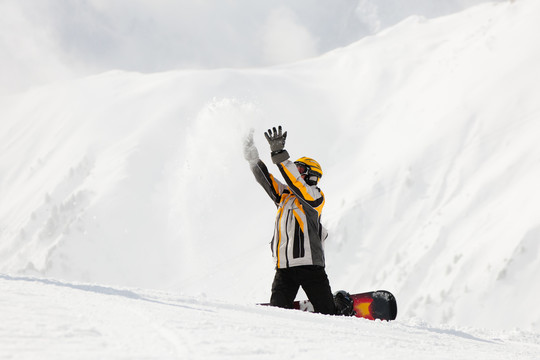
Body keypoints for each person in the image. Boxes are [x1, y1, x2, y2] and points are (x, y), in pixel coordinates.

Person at [243, 126, 354, 315]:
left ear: (311, 176)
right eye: (296, 167)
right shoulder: (283, 196)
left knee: (328, 313)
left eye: (300, 169)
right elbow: (263, 177)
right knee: (278, 313)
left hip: (310, 266)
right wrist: (251, 153)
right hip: (284, 268)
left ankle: (342, 304)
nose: (296, 171)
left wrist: (280, 154)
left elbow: (296, 182)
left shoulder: (314, 197)